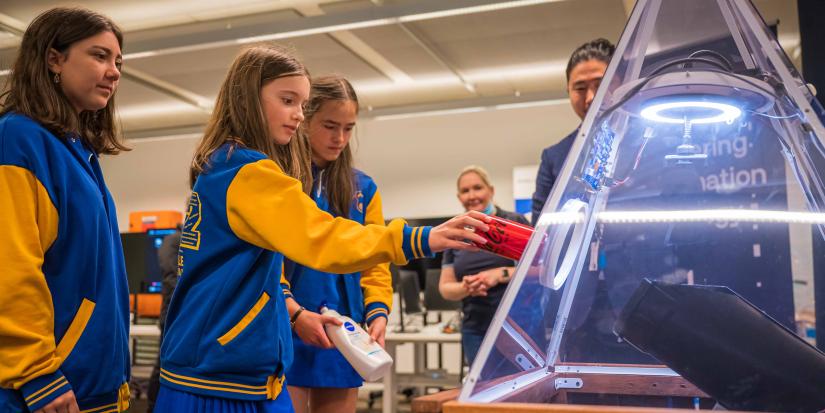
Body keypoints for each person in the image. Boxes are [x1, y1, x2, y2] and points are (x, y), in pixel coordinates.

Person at [154, 45, 490, 413]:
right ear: (248, 98)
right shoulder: (250, 172)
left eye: (301, 103)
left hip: (236, 360)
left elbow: (270, 263)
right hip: (222, 371)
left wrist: (374, 308)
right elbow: (323, 238)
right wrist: (420, 237)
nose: (297, 115)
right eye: (288, 100)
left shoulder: (226, 164)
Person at [0, 7, 131, 413]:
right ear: (54, 59)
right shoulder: (17, 139)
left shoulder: (77, 151)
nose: (114, 72)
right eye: (99, 56)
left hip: (91, 385)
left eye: (118, 62)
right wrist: (38, 374)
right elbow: (11, 268)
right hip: (43, 390)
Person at [279, 75, 389, 413]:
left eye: (348, 128)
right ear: (305, 119)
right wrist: (293, 312)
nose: (339, 138)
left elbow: (376, 258)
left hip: (345, 331)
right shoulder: (279, 179)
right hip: (291, 324)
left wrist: (379, 311)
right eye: (329, 125)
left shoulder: (363, 189)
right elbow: (269, 261)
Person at [438, 166, 530, 365]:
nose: (472, 195)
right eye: (465, 191)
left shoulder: (514, 222)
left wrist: (500, 274)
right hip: (476, 329)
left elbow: (539, 270)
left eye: (477, 188)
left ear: (491, 190)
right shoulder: (455, 233)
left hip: (518, 327)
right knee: (480, 392)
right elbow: (445, 289)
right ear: (459, 197)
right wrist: (466, 287)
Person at [531, 38, 615, 225]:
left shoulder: (650, 142)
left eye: (601, 85)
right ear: (568, 91)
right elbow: (540, 229)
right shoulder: (554, 158)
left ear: (620, 83)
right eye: (580, 88)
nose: (591, 98)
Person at [147, 225, 182, 413]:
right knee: (163, 364)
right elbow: (172, 277)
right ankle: (153, 407)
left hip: (178, 312)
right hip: (172, 313)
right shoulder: (174, 240)